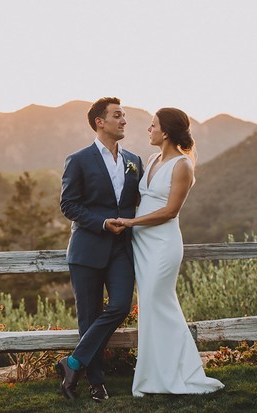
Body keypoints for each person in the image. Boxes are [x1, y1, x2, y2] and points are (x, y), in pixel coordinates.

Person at [111, 107, 224, 397]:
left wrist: (131, 222)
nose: (148, 130)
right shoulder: (151, 159)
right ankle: (156, 374)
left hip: (162, 245)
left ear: (166, 132)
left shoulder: (182, 165)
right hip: (142, 244)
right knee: (150, 309)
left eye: (153, 126)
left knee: (159, 304)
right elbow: (140, 197)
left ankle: (181, 373)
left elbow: (170, 211)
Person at [58, 97, 143, 402]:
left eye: (124, 116)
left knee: (120, 306)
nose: (124, 121)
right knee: (88, 317)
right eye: (118, 116)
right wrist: (103, 222)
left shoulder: (135, 160)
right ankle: (95, 383)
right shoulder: (78, 159)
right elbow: (68, 204)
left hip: (121, 250)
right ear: (100, 122)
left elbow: (140, 202)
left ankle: (71, 363)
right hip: (87, 250)